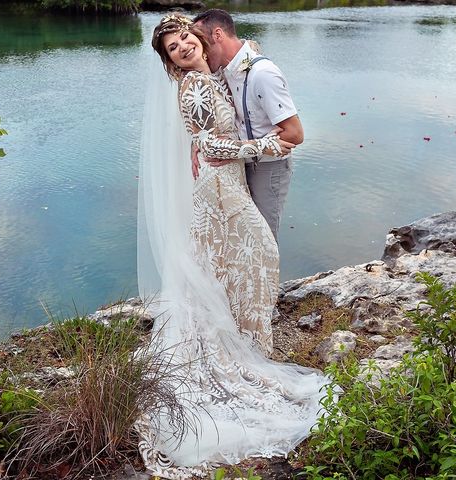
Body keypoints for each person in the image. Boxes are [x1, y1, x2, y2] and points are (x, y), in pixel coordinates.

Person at [135, 14, 337, 479]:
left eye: (185, 36)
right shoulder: (195, 85)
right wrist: (261, 146)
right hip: (220, 185)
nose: (183, 46)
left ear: (202, 36)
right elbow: (208, 142)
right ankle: (244, 343)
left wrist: (231, 145)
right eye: (172, 47)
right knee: (258, 253)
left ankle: (246, 336)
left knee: (232, 258)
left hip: (225, 182)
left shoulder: (215, 75)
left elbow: (209, 134)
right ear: (169, 61)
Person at [192, 9, 304, 242]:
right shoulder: (226, 71)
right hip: (243, 167)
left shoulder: (263, 74)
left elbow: (295, 134)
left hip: (268, 170)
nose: (201, 53)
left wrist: (238, 150)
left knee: (264, 240)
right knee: (244, 240)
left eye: (203, 43)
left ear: (218, 35)